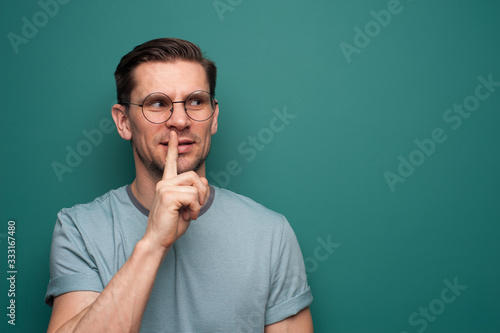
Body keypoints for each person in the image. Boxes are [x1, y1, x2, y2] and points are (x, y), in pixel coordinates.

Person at [45, 37, 313, 332]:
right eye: (157, 103)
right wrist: (153, 244)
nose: (180, 120)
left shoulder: (271, 235)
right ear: (123, 122)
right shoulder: (79, 230)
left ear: (213, 117)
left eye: (196, 101)